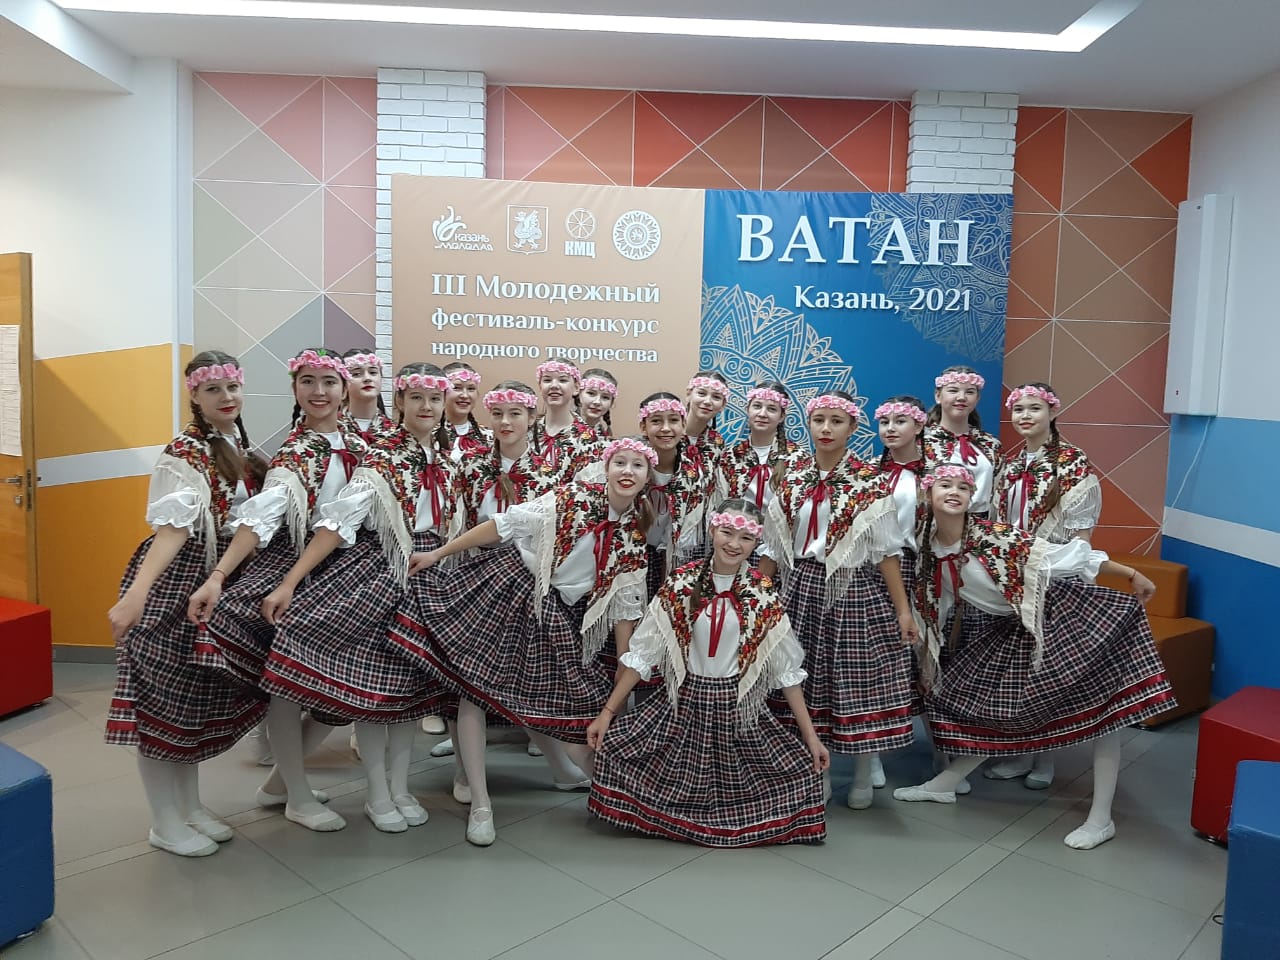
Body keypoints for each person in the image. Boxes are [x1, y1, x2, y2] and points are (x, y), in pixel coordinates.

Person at [390, 437, 656, 847]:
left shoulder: (632, 539)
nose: (627, 471)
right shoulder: (572, 499)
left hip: (552, 609)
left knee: (556, 696)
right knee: (474, 691)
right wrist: (438, 554)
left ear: (647, 477)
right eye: (619, 462)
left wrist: (623, 669)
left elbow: (623, 609)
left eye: (637, 465)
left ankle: (609, 789)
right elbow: (503, 525)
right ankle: (481, 804)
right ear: (606, 468)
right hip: (508, 586)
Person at [893, 466, 1174, 850]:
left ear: (973, 498)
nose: (954, 491)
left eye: (963, 486)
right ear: (928, 494)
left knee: (1103, 714)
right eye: (945, 485)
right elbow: (938, 602)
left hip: (1063, 615)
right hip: (1016, 625)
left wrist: (1130, 573)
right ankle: (945, 783)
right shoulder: (929, 548)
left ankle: (1101, 818)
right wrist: (929, 652)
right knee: (993, 704)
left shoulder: (995, 538)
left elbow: (1069, 556)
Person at [254, 363, 459, 833]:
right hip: (382, 573)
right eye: (416, 397)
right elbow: (338, 522)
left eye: (434, 399)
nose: (426, 407)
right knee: (376, 691)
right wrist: (291, 581)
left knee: (410, 692)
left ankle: (401, 787)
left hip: (430, 573)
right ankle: (377, 792)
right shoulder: (381, 458)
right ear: (400, 401)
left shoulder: (446, 460)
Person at [188, 347, 367, 833]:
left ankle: (278, 785)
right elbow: (261, 518)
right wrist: (219, 576)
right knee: (288, 688)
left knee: (338, 689)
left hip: (349, 569)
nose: (319, 391)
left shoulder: (361, 442)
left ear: (344, 388)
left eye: (328, 381)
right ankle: (297, 795)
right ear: (295, 389)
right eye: (307, 381)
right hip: (297, 570)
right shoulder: (295, 452)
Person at [587, 500, 829, 847]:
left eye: (746, 538)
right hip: (684, 702)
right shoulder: (682, 583)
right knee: (620, 751)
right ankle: (672, 820)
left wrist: (811, 737)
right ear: (712, 529)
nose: (734, 544)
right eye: (727, 532)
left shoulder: (762, 594)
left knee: (793, 772)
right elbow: (642, 656)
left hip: (736, 707)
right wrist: (608, 713)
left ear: (756, 543)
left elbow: (787, 673)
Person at [105, 351, 268, 857]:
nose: (227, 397)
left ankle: (189, 807)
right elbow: (172, 531)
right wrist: (136, 595)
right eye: (213, 389)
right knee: (160, 702)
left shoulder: (236, 445)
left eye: (232, 387)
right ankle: (165, 820)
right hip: (176, 580)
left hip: (215, 577)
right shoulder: (184, 452)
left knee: (191, 700)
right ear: (194, 394)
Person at [758, 391, 917, 809]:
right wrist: (756, 596)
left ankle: (863, 771)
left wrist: (903, 610)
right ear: (808, 424)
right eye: (819, 420)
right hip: (800, 586)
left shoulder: (869, 481)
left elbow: (886, 552)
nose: (826, 429)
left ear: (852, 428)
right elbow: (773, 545)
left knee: (857, 680)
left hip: (853, 588)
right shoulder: (792, 476)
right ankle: (820, 773)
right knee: (804, 680)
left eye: (836, 421)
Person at [984, 381, 1103, 791]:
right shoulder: (1012, 464)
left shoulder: (1072, 461)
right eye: (1018, 409)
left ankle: (1046, 757)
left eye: (1034, 408)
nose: (1025, 416)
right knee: (1020, 668)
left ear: (1053, 412)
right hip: (1017, 574)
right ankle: (1022, 752)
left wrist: (1069, 570)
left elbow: (1082, 532)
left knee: (1045, 668)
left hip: (1056, 575)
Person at [923, 366, 1001, 517]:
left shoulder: (990, 444)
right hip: (933, 524)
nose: (961, 397)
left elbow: (999, 493)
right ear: (938, 396)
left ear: (977, 399)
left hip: (981, 525)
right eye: (953, 390)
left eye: (970, 392)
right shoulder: (921, 443)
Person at [718, 381, 801, 513]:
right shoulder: (730, 456)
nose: (762, 414)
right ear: (748, 410)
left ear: (782, 416)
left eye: (772, 409)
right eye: (757, 406)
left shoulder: (797, 458)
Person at [532, 359, 597, 478]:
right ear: (540, 387)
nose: (554, 386)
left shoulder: (587, 437)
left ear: (576, 388)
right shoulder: (527, 431)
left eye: (562, 380)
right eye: (547, 380)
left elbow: (587, 484)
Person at [441, 361, 492, 459]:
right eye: (457, 388)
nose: (465, 395)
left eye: (471, 389)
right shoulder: (427, 435)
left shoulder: (489, 438)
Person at [341, 349, 394, 442]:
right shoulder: (332, 427)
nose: (367, 378)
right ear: (344, 383)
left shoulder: (395, 431)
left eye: (373, 372)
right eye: (356, 374)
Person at [577, 367, 618, 438]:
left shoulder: (607, 440)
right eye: (591, 393)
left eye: (605, 397)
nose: (597, 402)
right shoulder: (561, 429)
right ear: (578, 393)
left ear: (611, 403)